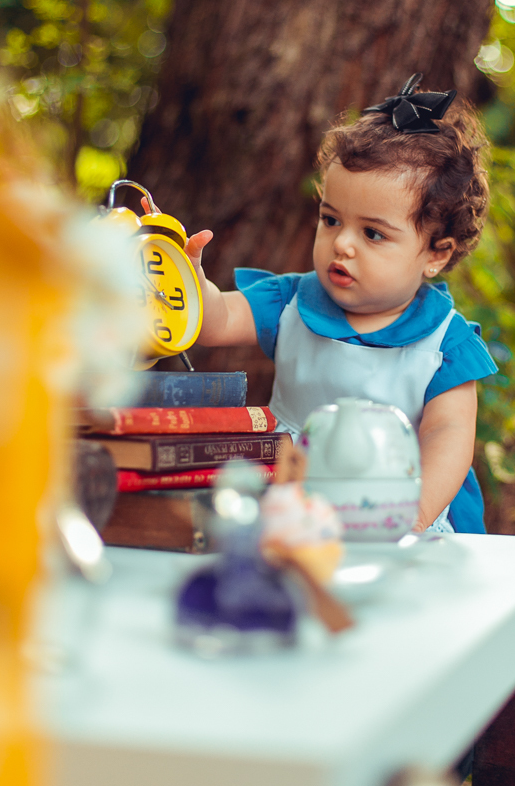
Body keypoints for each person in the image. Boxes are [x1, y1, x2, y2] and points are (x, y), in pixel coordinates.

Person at [184, 74, 497, 534]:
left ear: (436, 253)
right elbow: (218, 321)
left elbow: (447, 436)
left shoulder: (443, 342)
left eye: (372, 233)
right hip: (295, 513)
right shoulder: (292, 301)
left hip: (398, 520)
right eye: (330, 220)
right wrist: (190, 282)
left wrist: (416, 513)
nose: (342, 244)